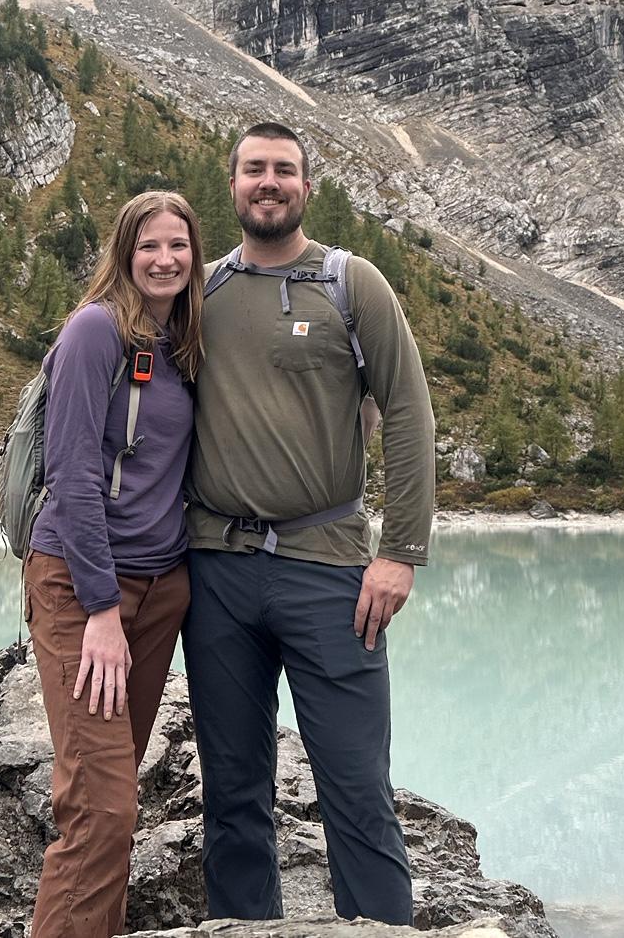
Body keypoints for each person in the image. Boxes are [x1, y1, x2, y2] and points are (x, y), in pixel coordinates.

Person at [183, 122, 435, 925]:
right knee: (231, 793)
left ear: (306, 187)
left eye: (284, 170)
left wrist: (400, 552)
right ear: (232, 184)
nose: (269, 182)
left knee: (356, 790)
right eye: (254, 169)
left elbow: (408, 411)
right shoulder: (198, 292)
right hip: (216, 571)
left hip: (329, 570)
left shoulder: (351, 284)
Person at [23, 190, 204, 938]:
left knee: (114, 792)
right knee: (100, 809)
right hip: (82, 586)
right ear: (124, 255)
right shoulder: (95, 330)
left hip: (161, 592)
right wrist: (100, 608)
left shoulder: (182, 341)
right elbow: (69, 473)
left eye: (178, 246)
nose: (164, 260)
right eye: (148, 246)